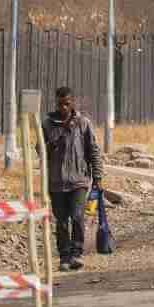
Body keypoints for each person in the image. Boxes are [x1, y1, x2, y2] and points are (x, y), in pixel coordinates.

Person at [41, 86, 104, 272]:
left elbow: (93, 151)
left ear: (73, 102)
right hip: (56, 182)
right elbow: (40, 150)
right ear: (56, 102)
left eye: (67, 104)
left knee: (77, 217)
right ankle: (64, 257)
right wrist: (50, 145)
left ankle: (76, 253)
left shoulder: (83, 123)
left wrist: (98, 176)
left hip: (79, 181)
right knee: (61, 222)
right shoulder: (47, 124)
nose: (63, 108)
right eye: (60, 104)